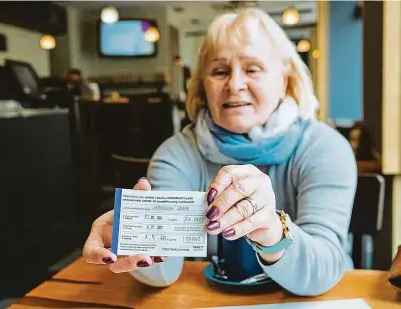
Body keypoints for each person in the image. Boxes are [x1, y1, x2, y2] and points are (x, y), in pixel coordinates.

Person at [83, 8, 357, 296]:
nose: (235, 85)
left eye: (252, 69)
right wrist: (131, 238)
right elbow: (163, 271)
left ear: (283, 83)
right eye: (220, 71)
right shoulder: (178, 153)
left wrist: (272, 230)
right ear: (204, 87)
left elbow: (323, 270)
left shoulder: (324, 147)